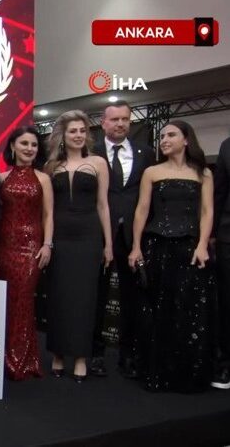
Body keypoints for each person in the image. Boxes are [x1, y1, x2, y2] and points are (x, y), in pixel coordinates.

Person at [128, 120, 215, 393]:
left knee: (188, 309)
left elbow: (207, 212)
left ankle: (185, 375)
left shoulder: (203, 173)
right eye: (162, 136)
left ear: (186, 139)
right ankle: (157, 372)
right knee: (158, 310)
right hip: (157, 246)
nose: (164, 140)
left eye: (171, 135)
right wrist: (136, 246)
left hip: (190, 248)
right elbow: (142, 210)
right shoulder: (152, 172)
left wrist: (202, 245)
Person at [45, 110, 112, 383]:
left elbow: (103, 205)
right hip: (60, 237)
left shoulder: (98, 163)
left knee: (85, 298)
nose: (78, 135)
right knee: (60, 296)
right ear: (63, 135)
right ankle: (59, 355)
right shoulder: (51, 166)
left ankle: (82, 358)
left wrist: (108, 244)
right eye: (73, 131)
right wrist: (47, 241)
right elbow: (47, 210)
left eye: (83, 131)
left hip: (89, 236)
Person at [90, 101, 155, 379]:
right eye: (114, 119)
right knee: (98, 296)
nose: (120, 124)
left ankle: (128, 355)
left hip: (133, 236)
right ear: (103, 123)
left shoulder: (145, 153)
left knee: (132, 298)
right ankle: (95, 353)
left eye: (125, 119)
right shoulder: (91, 152)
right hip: (98, 234)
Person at [0, 126, 53, 381]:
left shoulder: (43, 179)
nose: (29, 149)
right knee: (6, 299)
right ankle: (3, 357)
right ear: (13, 146)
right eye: (24, 143)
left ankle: (22, 360)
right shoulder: (1, 177)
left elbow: (48, 215)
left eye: (34, 145)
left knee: (24, 299)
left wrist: (47, 244)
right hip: (4, 245)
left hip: (31, 246)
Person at [213, 134, 230, 389]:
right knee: (227, 301)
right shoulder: (227, 146)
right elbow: (219, 192)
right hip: (228, 235)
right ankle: (225, 362)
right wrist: (212, 234)